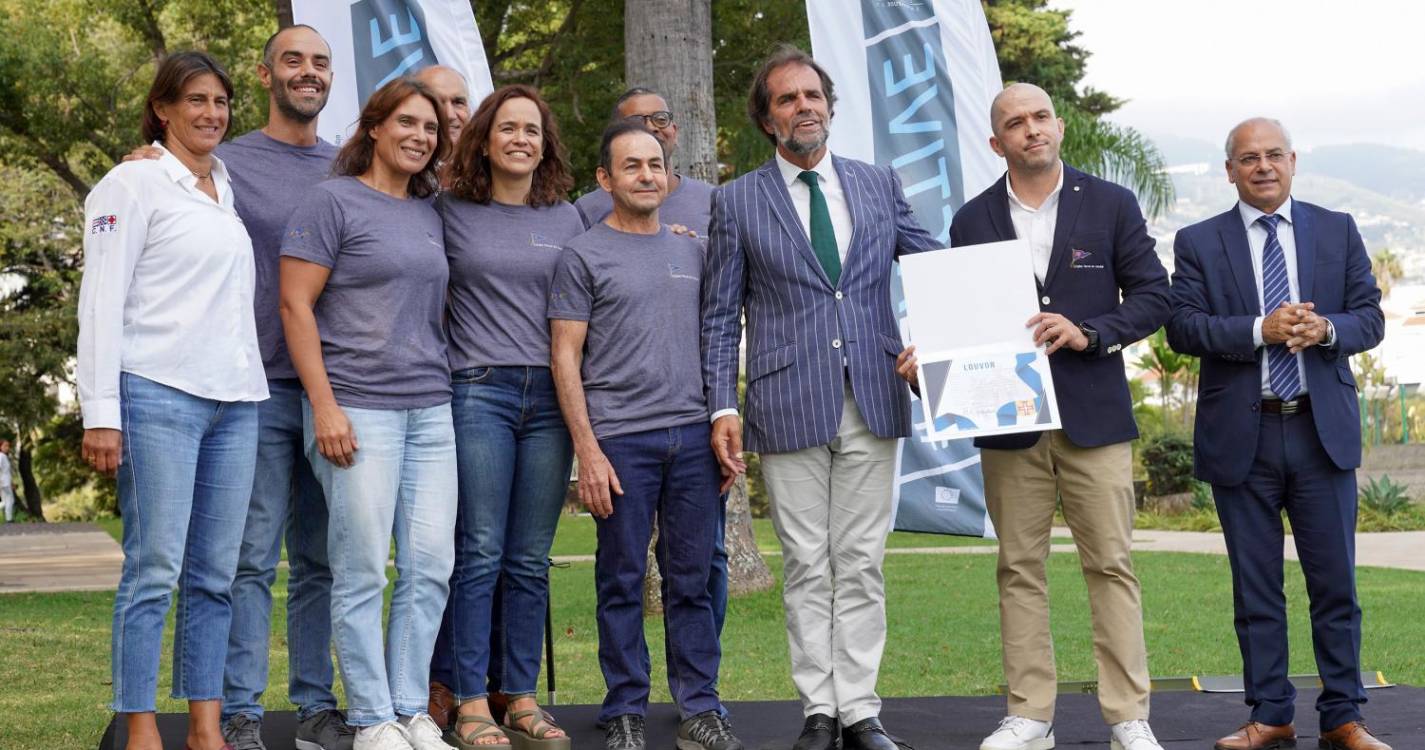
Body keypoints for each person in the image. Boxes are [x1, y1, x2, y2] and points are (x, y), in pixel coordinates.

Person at [902, 82, 1170, 750]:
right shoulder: (970, 220)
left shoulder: (1110, 203)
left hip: (1093, 417)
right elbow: (963, 321)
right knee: (1018, 568)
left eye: (1040, 117)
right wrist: (928, 367)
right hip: (1008, 420)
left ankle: (1127, 716)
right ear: (997, 142)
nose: (1031, 129)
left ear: (1057, 127)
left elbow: (1154, 296)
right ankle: (1030, 715)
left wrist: (1089, 332)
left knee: (1109, 564)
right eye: (1015, 123)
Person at [700, 46, 940, 750]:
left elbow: (935, 268)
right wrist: (721, 406)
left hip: (873, 390)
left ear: (829, 106)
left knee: (860, 560)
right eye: (785, 99)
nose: (803, 106)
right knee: (806, 563)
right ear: (766, 120)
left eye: (812, 95)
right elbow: (719, 314)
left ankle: (860, 709)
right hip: (784, 400)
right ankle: (818, 710)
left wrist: (944, 336)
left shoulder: (875, 184)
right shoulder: (736, 199)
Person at [122, 29, 352, 749]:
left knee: (320, 561)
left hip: (331, 392)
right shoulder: (225, 160)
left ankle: (314, 706)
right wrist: (145, 158)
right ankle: (240, 712)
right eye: (293, 60)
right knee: (245, 560)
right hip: (247, 389)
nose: (306, 73)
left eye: (319, 63)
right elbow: (164, 184)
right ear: (266, 74)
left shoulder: (350, 166)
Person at [1166, 118, 1387, 750]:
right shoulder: (1198, 240)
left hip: (1322, 434)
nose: (1262, 167)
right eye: (1247, 158)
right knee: (1256, 587)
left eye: (1273, 156)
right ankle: (1271, 713)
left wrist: (1328, 331)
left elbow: (1370, 317)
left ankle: (1345, 716)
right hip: (1245, 434)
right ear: (1229, 170)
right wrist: (1256, 330)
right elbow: (1182, 328)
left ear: (1293, 161)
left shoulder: (1337, 228)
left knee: (1336, 586)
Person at [77, 51, 268, 750]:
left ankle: (205, 730)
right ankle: (139, 729)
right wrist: (101, 412)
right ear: (163, 108)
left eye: (220, 101)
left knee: (215, 575)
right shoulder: (131, 183)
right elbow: (100, 303)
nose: (211, 113)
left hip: (237, 402)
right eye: (195, 100)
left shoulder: (226, 185)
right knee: (155, 568)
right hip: (157, 395)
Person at [550, 121, 742, 750]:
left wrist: (720, 419)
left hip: (691, 437)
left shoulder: (693, 250)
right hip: (621, 442)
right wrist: (587, 451)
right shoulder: (582, 255)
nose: (646, 175)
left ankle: (700, 707)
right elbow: (564, 357)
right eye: (630, 166)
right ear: (604, 179)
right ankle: (624, 708)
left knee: (692, 581)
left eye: (655, 165)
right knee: (621, 580)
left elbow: (716, 342)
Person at [279, 77, 455, 750]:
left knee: (429, 564)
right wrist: (324, 406)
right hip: (354, 406)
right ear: (375, 127)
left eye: (431, 129)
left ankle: (411, 709)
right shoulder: (330, 201)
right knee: (359, 569)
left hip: (431, 410)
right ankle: (370, 718)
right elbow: (295, 306)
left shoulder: (432, 209)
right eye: (407, 123)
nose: (420, 136)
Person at [429, 84, 581, 750]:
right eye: (509, 128)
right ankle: (466, 702)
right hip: (478, 391)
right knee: (480, 551)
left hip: (551, 399)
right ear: (483, 138)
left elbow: (641, 213)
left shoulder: (569, 219)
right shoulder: (445, 211)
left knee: (529, 558)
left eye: (533, 130)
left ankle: (517, 696)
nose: (521, 139)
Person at [574, 87, 715, 236]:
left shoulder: (712, 200)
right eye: (637, 121)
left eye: (661, 119)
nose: (652, 127)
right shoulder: (588, 209)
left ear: (674, 131)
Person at [415, 65, 471, 186]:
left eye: (458, 102)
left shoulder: (493, 169)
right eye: (437, 102)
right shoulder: (396, 169)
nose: (449, 115)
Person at [0, 440, 13, 522]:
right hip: (3, 482)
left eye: (8, 446)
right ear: (0, 447)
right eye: (5, 446)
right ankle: (9, 519)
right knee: (10, 500)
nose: (7, 448)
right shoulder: (1, 456)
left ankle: (9, 519)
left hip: (5, 482)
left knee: (6, 501)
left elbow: (6, 472)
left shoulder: (4, 456)